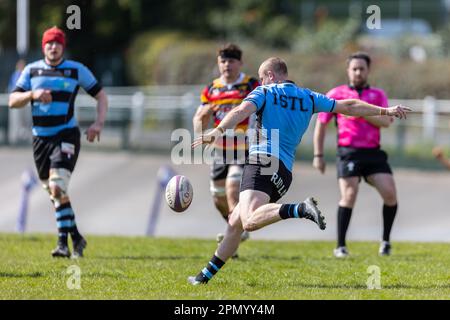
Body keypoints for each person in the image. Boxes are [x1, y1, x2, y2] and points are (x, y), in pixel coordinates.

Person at [189, 57, 411, 285]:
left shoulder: (265, 92)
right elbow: (349, 106)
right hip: (284, 172)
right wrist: (386, 110)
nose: (261, 82)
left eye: (262, 77)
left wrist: (217, 131)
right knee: (235, 221)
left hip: (262, 161)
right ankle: (203, 277)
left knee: (247, 221)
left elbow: (240, 111)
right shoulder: (309, 96)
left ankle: (300, 209)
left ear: (270, 76)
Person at [8, 27, 108, 258]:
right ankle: (77, 238)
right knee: (56, 193)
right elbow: (13, 100)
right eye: (49, 43)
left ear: (63, 46)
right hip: (40, 140)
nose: (53, 47)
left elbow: (101, 95)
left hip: (66, 135)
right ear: (43, 46)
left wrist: (98, 123)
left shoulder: (76, 70)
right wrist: (32, 95)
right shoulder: (31, 71)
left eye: (57, 43)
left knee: (57, 186)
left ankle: (63, 244)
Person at [313, 52, 398, 258]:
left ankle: (385, 241)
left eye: (362, 68)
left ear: (368, 71)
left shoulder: (377, 95)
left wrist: (360, 111)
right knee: (349, 195)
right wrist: (318, 155)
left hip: (373, 153)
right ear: (348, 70)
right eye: (354, 68)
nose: (358, 72)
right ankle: (340, 246)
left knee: (390, 194)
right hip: (348, 152)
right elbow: (321, 125)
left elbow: (386, 122)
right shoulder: (336, 93)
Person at [192, 44, 259, 256]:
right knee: (217, 197)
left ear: (240, 63)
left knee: (232, 187)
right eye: (223, 61)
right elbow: (198, 117)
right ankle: (235, 231)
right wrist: (200, 125)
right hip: (221, 150)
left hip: (245, 147)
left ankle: (235, 232)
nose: (226, 65)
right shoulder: (212, 89)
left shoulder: (250, 85)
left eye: (231, 61)